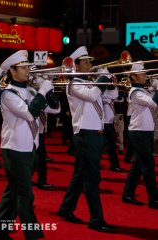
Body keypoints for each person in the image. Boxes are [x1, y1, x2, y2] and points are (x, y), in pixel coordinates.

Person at [0, 50, 57, 240]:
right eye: (24, 67)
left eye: (28, 66)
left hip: (29, 147)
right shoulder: (8, 94)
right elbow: (29, 114)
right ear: (12, 70)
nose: (29, 70)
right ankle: (33, 235)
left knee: (14, 190)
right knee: (25, 195)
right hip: (15, 149)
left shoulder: (29, 90)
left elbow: (55, 108)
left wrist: (48, 89)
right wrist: (42, 91)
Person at [57, 46, 115, 232]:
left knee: (81, 175)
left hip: (93, 134)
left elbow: (112, 95)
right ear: (76, 65)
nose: (91, 64)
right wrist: (103, 79)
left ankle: (66, 208)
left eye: (90, 61)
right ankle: (96, 219)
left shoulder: (91, 82)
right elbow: (91, 96)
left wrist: (110, 82)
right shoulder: (74, 84)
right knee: (92, 177)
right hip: (85, 133)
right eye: (86, 62)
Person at [122, 63, 158, 209]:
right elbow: (154, 103)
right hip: (139, 132)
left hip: (144, 131)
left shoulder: (143, 90)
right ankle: (154, 199)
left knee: (137, 166)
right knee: (148, 166)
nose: (145, 76)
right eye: (142, 74)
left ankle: (128, 194)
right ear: (134, 76)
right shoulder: (135, 92)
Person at [100, 69, 123, 172]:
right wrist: (112, 88)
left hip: (109, 121)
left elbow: (120, 98)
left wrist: (114, 86)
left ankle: (114, 165)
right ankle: (113, 165)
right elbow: (107, 97)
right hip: (103, 121)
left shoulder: (109, 89)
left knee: (109, 145)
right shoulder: (99, 89)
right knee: (105, 145)